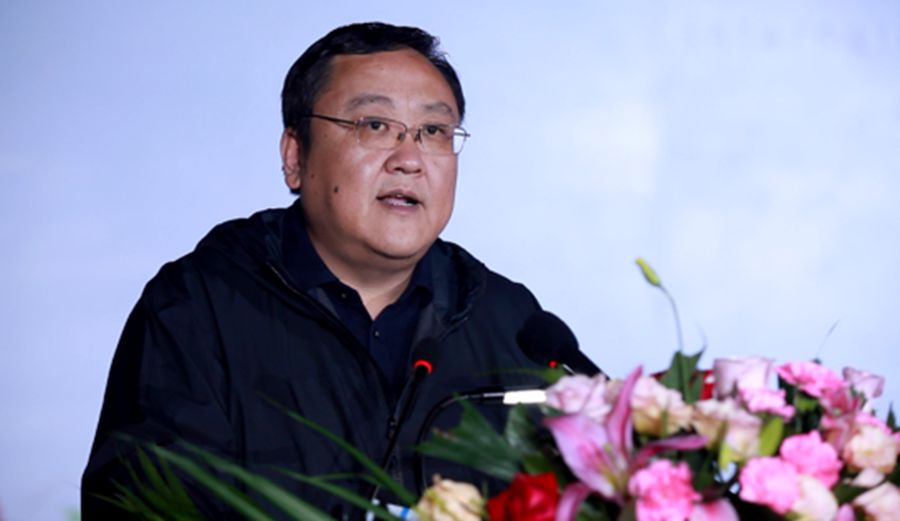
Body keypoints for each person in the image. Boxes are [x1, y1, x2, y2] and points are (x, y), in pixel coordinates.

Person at [82, 22, 545, 519]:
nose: (410, 159)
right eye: (374, 125)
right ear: (295, 156)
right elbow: (142, 505)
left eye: (433, 131)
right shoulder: (198, 307)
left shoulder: (513, 322)